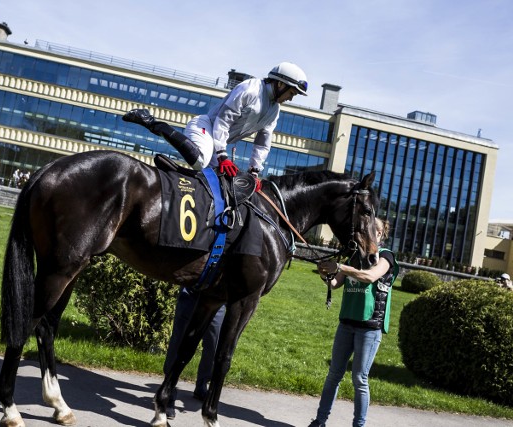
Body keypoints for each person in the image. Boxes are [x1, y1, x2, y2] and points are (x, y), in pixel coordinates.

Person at [123, 62, 308, 187]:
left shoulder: (274, 110)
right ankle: (151, 121)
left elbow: (262, 141)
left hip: (219, 143)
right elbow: (223, 120)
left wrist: (254, 171)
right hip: (206, 127)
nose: (291, 98)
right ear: (281, 84)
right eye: (292, 92)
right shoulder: (250, 88)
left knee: (220, 185)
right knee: (200, 159)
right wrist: (222, 156)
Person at [308, 218, 399, 427]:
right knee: (333, 376)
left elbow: (369, 276)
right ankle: (319, 421)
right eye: (366, 229)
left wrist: (340, 266)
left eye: (374, 230)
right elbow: (335, 282)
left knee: (360, 379)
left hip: (369, 327)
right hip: (346, 323)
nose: (369, 232)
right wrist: (325, 274)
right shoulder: (353, 256)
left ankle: (359, 425)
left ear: (380, 235)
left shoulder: (385, 257)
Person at [162, 287, 226, 419]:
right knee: (178, 343)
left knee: (213, 345)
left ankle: (202, 385)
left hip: (217, 299)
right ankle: (168, 393)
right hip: (192, 292)